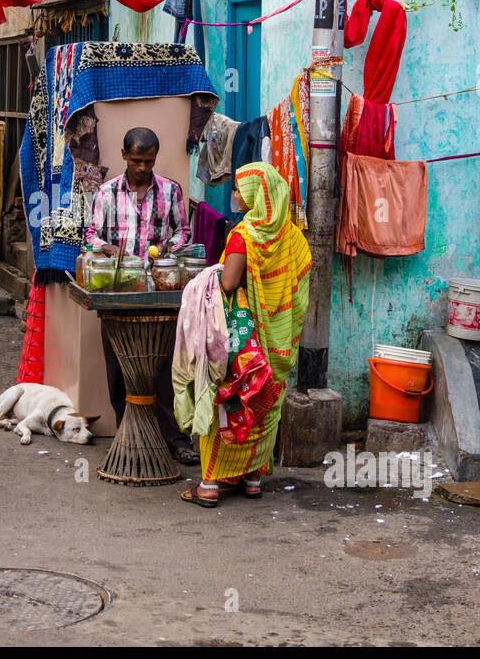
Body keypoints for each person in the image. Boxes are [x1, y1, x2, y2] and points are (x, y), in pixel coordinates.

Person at [182, 163, 311, 507]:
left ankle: (209, 485)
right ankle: (252, 479)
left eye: (240, 189)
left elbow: (227, 283)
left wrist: (206, 278)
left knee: (231, 398)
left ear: (257, 195)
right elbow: (300, 282)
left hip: (243, 340)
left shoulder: (243, 235)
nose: (235, 194)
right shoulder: (293, 237)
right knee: (265, 401)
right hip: (277, 340)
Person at [86, 127, 196, 464]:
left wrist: (166, 249)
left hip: (159, 289)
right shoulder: (106, 193)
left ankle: (174, 438)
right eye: (137, 160)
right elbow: (91, 233)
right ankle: (126, 431)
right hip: (118, 291)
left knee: (163, 366)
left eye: (149, 161)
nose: (143, 167)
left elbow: (184, 232)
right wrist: (107, 249)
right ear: (124, 156)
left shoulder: (170, 192)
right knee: (118, 364)